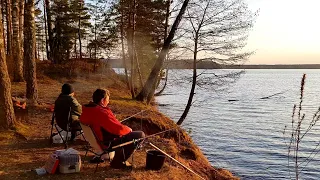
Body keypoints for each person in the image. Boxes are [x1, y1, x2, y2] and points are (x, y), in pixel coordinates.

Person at [80, 88, 145, 169]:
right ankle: (117, 162)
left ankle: (120, 156)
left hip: (97, 140)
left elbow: (108, 125)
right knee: (140, 135)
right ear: (102, 100)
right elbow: (118, 129)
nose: (108, 101)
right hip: (107, 143)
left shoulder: (87, 110)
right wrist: (128, 129)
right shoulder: (102, 113)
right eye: (107, 99)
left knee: (129, 135)